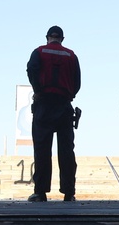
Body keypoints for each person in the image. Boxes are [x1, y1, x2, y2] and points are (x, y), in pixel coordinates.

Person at [26, 25, 81, 202]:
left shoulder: (39, 51)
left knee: (42, 150)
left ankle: (40, 192)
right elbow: (77, 81)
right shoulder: (71, 55)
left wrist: (38, 90)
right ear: (62, 39)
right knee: (66, 150)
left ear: (48, 37)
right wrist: (69, 94)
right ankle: (69, 192)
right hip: (64, 105)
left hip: (44, 105)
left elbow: (31, 70)